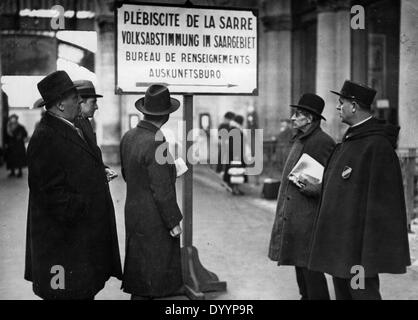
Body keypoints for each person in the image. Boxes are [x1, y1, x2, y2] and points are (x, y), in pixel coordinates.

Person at [308, 80, 411, 300]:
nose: (337, 107)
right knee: (344, 295)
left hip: (358, 251)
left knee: (362, 294)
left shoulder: (376, 145)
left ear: (353, 106)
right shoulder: (351, 141)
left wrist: (367, 251)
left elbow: (385, 204)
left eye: (341, 102)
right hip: (340, 244)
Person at [25, 71, 122, 300]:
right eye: (73, 97)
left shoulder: (70, 127)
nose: (79, 100)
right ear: (59, 104)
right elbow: (50, 195)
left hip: (78, 242)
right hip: (64, 245)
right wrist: (86, 208)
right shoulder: (45, 137)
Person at [268, 93, 335, 300]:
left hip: (308, 215)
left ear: (310, 118)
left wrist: (311, 187)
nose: (293, 118)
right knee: (300, 265)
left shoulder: (322, 141)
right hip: (296, 214)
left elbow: (328, 181)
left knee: (309, 266)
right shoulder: (302, 138)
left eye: (298, 114)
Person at [120, 84, 183, 300]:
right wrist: (173, 221)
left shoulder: (128, 137)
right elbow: (162, 190)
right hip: (155, 219)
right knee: (155, 280)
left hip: (134, 214)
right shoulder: (157, 142)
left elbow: (128, 174)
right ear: (165, 115)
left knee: (140, 275)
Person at [73, 80, 117, 181]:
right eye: (93, 102)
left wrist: (103, 169)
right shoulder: (74, 126)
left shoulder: (85, 122)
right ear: (81, 102)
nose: (96, 107)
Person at [223, 114, 248, 195]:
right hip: (236, 155)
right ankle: (235, 189)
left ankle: (234, 188)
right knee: (236, 172)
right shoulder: (236, 130)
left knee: (236, 172)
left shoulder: (233, 129)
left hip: (234, 154)